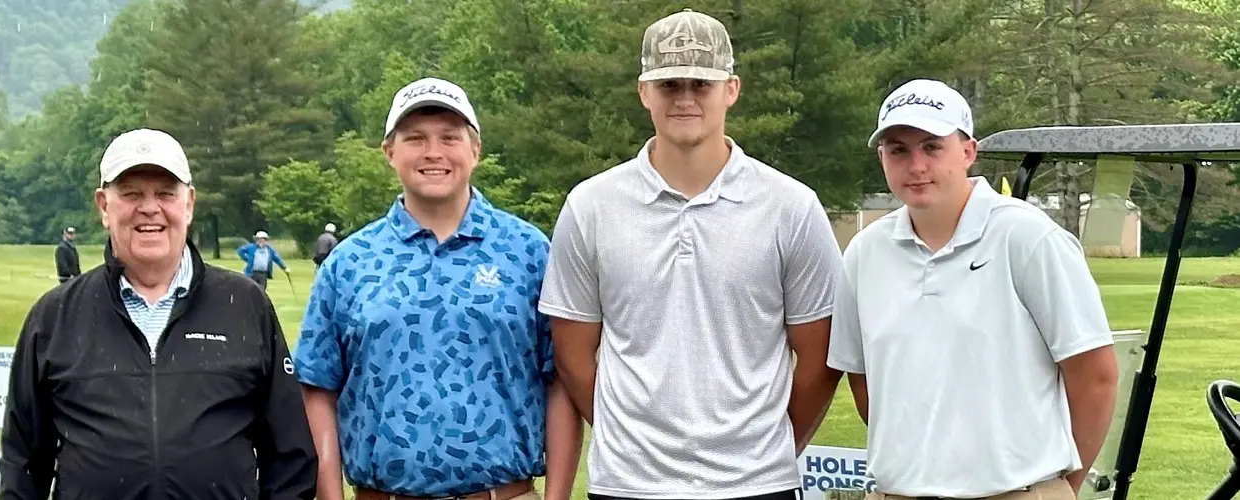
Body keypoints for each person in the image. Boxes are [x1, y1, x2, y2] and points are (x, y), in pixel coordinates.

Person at [539, 9, 844, 500]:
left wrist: (769, 451)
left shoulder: (790, 206)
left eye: (701, 84)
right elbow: (574, 356)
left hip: (756, 484)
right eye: (669, 84)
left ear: (731, 89)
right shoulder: (591, 206)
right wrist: (631, 441)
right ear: (644, 92)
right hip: (629, 486)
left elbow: (820, 358)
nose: (684, 98)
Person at [826, 79, 1120, 500]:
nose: (916, 165)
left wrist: (1060, 488)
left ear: (968, 151)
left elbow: (1095, 375)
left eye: (932, 146)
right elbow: (863, 379)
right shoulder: (864, 254)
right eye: (899, 150)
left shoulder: (1028, 238)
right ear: (881, 158)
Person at [293, 76, 583, 500]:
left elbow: (561, 379)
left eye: (450, 137)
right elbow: (318, 386)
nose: (433, 152)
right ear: (390, 152)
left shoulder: (529, 252)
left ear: (475, 149)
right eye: (415, 139)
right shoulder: (350, 262)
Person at [0, 128, 318, 500]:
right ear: (104, 205)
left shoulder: (245, 304)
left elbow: (291, 456)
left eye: (165, 193)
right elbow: (22, 464)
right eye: (131, 193)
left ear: (189, 203)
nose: (149, 207)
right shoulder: (54, 317)